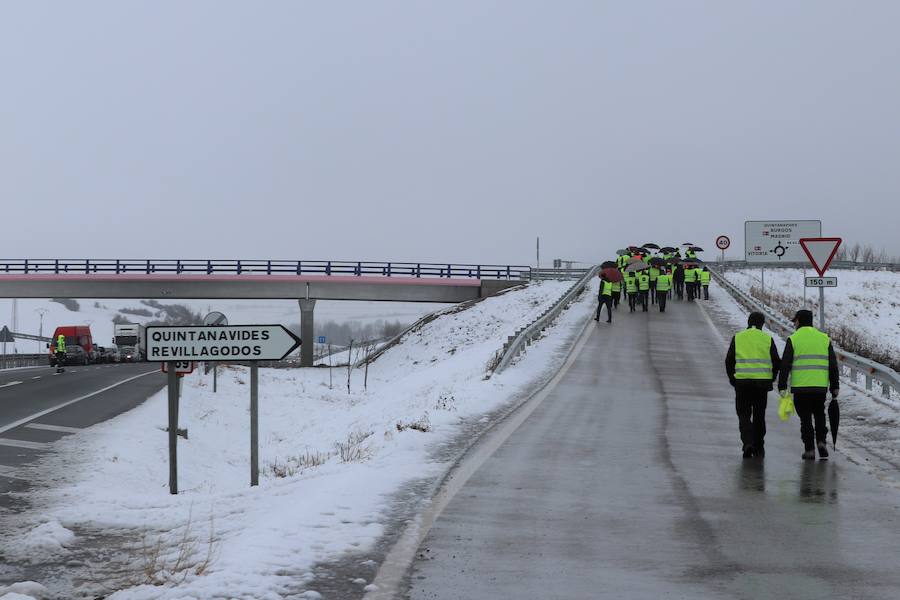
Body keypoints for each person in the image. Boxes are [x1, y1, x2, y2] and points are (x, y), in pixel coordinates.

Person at [777, 309, 840, 460]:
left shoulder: (794, 339)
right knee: (819, 414)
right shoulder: (824, 339)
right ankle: (821, 442)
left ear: (799, 321)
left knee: (805, 418)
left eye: (795, 321)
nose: (794, 324)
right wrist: (834, 385)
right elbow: (833, 364)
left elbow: (785, 364)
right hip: (820, 387)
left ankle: (810, 449)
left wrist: (782, 385)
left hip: (801, 387)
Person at [725, 312, 781, 458]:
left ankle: (747, 442)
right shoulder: (768, 339)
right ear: (762, 324)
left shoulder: (738, 337)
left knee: (743, 414)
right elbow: (776, 361)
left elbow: (729, 360)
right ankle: (759, 445)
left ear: (748, 322)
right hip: (762, 384)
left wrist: (733, 379)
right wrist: (772, 378)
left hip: (742, 383)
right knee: (759, 415)